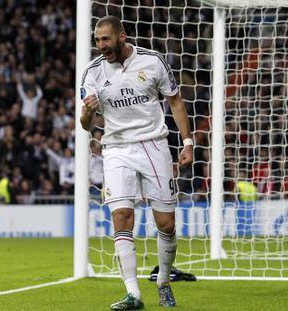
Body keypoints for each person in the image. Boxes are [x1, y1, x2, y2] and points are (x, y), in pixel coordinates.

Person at [80, 16, 193, 310]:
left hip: (154, 145)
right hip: (116, 148)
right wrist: (87, 113)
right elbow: (84, 124)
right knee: (121, 218)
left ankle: (164, 280)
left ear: (122, 35)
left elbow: (175, 100)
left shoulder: (153, 62)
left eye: (106, 39)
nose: (101, 46)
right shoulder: (92, 72)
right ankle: (134, 295)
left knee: (165, 224)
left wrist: (187, 142)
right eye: (97, 40)